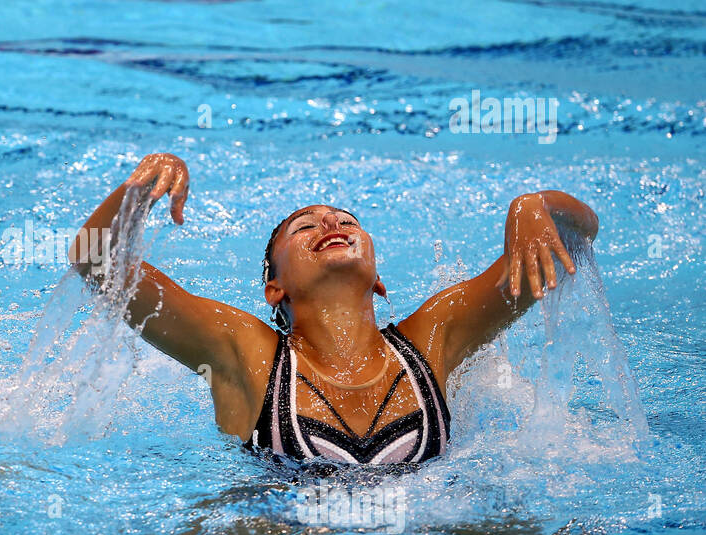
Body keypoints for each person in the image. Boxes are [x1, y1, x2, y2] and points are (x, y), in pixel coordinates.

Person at [68, 153, 599, 464]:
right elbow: (96, 263)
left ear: (379, 280)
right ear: (275, 288)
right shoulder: (244, 352)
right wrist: (136, 194)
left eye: (345, 220)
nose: (332, 225)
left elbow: (576, 236)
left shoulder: (434, 334)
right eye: (306, 227)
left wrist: (537, 207)